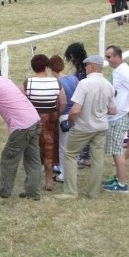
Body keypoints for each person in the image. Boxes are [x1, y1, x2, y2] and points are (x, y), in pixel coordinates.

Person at [54, 55, 117, 200]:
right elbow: (113, 110)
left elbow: (75, 110)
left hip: (83, 127)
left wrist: (70, 121)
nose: (85, 69)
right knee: (97, 159)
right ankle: (93, 192)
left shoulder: (84, 84)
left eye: (87, 66)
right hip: (101, 127)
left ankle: (70, 192)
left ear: (93, 66)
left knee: (70, 155)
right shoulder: (108, 85)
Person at [0, 63, 42, 200]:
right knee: (33, 159)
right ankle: (33, 192)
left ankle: (3, 190)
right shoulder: (6, 81)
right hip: (34, 120)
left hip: (21, 126)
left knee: (8, 158)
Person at [103, 45, 129, 193]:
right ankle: (118, 178)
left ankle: (122, 184)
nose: (106, 59)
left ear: (117, 57)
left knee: (117, 151)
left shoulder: (123, 71)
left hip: (120, 116)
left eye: (108, 57)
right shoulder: (119, 71)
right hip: (117, 115)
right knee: (116, 150)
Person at [23, 54, 66, 192]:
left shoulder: (27, 83)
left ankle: (32, 181)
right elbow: (64, 102)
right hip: (50, 121)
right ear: (47, 67)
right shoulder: (56, 83)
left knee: (33, 151)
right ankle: (49, 181)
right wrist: (57, 114)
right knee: (49, 150)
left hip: (33, 121)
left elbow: (21, 100)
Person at [49, 54, 79, 184]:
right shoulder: (73, 78)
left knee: (63, 147)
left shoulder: (57, 83)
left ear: (51, 69)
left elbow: (60, 103)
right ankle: (70, 169)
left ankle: (64, 174)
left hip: (64, 117)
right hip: (77, 115)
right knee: (73, 146)